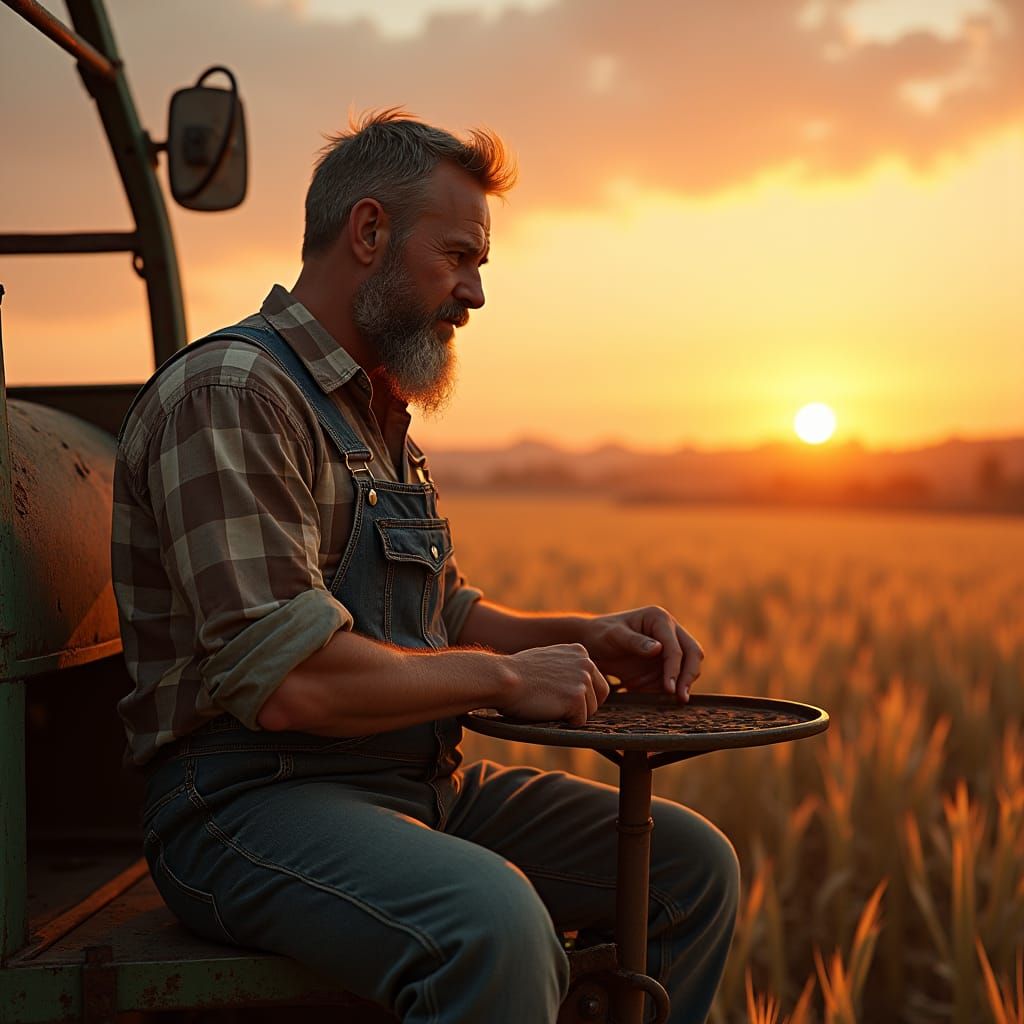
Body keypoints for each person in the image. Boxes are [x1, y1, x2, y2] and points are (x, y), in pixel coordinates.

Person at [112, 110, 739, 1024]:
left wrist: (581, 635)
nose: (474, 293)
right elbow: (290, 683)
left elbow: (435, 614)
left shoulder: (375, 410)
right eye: (457, 257)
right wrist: (503, 677)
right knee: (490, 924)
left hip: (412, 785)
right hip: (247, 805)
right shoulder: (234, 394)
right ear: (369, 232)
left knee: (690, 868)